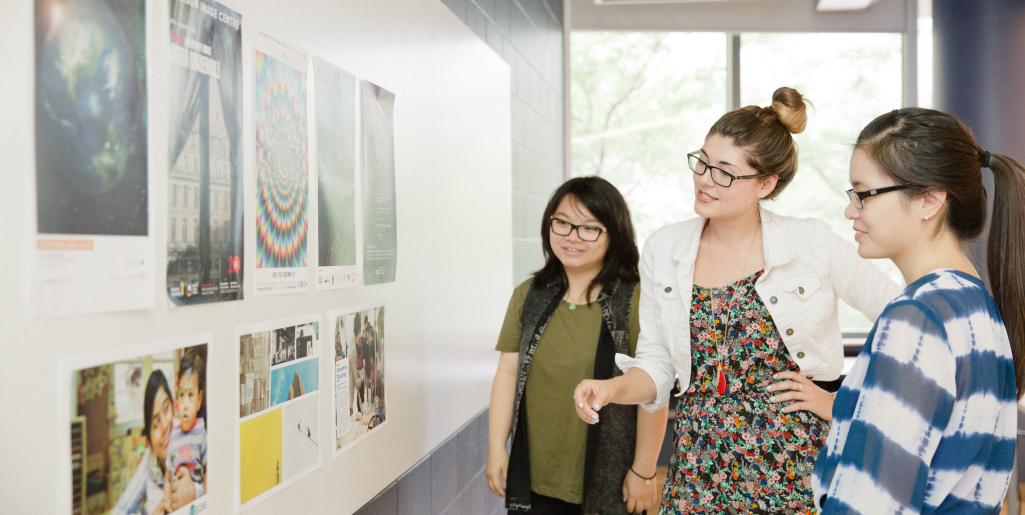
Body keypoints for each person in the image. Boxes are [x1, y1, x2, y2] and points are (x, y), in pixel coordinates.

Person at [572, 88, 903, 514]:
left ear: (766, 184)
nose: (706, 179)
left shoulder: (811, 242)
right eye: (703, 162)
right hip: (697, 467)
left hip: (793, 465)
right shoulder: (664, 249)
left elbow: (904, 318)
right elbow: (657, 364)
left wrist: (838, 401)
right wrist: (612, 388)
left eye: (725, 171)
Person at [810, 108, 1023, 514]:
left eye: (863, 193)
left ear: (928, 200)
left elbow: (870, 503)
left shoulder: (918, 318)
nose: (850, 210)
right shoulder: (978, 309)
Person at [487, 177, 668, 514]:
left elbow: (653, 389)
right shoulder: (528, 296)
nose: (572, 236)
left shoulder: (636, 300)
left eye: (589, 228)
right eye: (563, 223)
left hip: (609, 479)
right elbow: (507, 375)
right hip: (534, 476)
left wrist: (644, 470)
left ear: (613, 233)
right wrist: (497, 447)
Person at [114, 370, 195, 515]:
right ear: (149, 439)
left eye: (166, 409)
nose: (165, 425)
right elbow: (119, 511)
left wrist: (196, 493)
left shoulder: (190, 439)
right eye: (156, 422)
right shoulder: (150, 459)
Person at [166, 352, 207, 500]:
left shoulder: (201, 433)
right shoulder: (173, 432)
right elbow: (167, 473)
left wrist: (204, 499)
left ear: (199, 399)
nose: (184, 405)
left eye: (190, 395)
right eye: (182, 395)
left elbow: (208, 470)